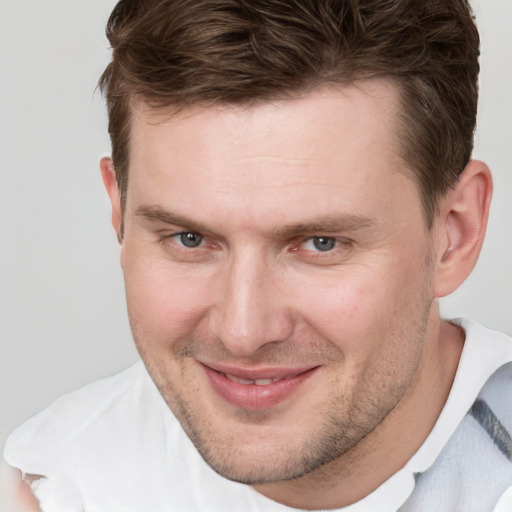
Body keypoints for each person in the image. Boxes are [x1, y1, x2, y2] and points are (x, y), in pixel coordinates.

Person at [3, 0, 512, 510]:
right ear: (119, 211)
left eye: (321, 243)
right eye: (190, 239)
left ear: (454, 233)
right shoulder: (52, 488)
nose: (242, 333)